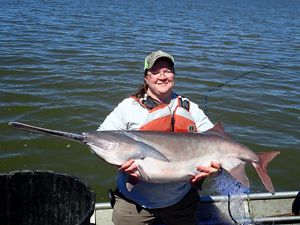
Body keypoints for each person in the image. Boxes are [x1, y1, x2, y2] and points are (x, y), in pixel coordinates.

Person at [98, 50, 221, 225]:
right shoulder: (128, 107)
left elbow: (216, 140)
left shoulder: (190, 108)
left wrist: (215, 167)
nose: (162, 76)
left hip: (182, 200)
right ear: (146, 78)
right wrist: (119, 160)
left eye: (167, 71)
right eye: (155, 72)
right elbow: (100, 139)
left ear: (174, 75)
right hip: (135, 202)